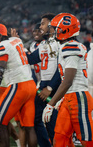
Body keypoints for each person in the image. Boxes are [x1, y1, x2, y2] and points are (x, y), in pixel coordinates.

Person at [42, 13, 93, 146]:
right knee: (60, 138)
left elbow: (68, 80)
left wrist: (51, 103)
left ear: (66, 30)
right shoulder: (66, 47)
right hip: (70, 97)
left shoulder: (71, 47)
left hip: (78, 97)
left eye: (55, 28)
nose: (53, 31)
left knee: (88, 140)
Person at [0, 24, 37, 147]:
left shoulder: (0, 46)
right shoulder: (16, 41)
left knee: (0, 123)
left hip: (18, 85)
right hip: (30, 85)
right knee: (29, 127)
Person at [27, 13, 61, 146]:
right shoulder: (44, 43)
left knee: (53, 120)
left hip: (56, 85)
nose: (40, 26)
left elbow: (61, 68)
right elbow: (31, 59)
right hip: (45, 85)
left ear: (52, 25)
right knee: (36, 118)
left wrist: (50, 87)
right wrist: (17, 46)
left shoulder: (59, 42)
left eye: (43, 23)